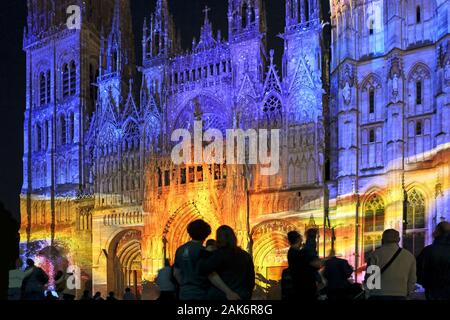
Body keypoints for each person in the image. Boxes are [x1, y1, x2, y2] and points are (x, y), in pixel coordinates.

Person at [199, 225, 255, 301]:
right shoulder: (246, 255)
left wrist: (206, 252)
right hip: (242, 295)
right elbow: (251, 281)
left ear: (218, 238)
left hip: (221, 296)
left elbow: (203, 269)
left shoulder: (219, 254)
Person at [365, 229, 416, 300]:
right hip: (400, 294)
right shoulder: (409, 255)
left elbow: (370, 277)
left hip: (378, 293)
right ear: (399, 239)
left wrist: (368, 293)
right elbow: (412, 278)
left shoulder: (375, 254)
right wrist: (409, 293)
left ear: (382, 239)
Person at [173, 219, 212, 300]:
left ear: (189, 233)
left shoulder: (180, 249)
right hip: (201, 293)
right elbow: (211, 274)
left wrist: (185, 285)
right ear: (206, 235)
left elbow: (176, 273)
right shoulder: (204, 252)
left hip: (184, 293)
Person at [416, 221, 450, 300]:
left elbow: (418, 270)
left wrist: (425, 283)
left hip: (433, 290)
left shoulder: (428, 250)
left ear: (437, 231)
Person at [287, 230, 322, 300]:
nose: (302, 240)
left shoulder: (291, 253)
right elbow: (316, 264)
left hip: (299, 288)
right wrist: (329, 259)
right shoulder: (301, 253)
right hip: (306, 289)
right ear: (298, 239)